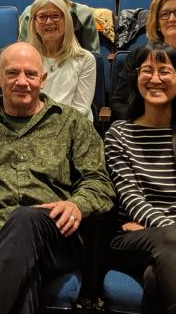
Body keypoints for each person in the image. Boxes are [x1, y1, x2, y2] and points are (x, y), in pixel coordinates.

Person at [0, 42, 115, 314]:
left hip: (56, 237)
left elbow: (99, 181)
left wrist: (77, 204)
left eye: (30, 74)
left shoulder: (71, 122)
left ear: (43, 79)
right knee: (22, 277)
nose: (22, 82)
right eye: (12, 73)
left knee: (24, 217)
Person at [104, 42, 176, 314]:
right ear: (136, 79)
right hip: (130, 241)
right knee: (171, 238)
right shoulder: (119, 134)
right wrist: (167, 230)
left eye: (165, 71)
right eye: (147, 70)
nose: (155, 78)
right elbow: (132, 199)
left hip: (159, 237)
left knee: (154, 279)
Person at [26, 0, 96, 121]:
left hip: (73, 126)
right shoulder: (25, 58)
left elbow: (81, 109)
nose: (49, 22)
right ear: (34, 23)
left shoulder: (85, 59)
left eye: (55, 16)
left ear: (66, 20)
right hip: (32, 126)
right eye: (42, 17)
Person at [111, 0, 176, 120]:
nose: (172, 18)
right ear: (157, 23)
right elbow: (119, 103)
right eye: (165, 14)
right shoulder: (138, 57)